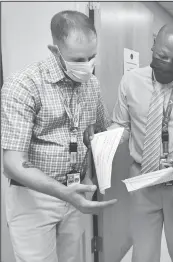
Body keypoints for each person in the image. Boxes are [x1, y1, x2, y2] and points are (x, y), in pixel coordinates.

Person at [84, 23, 173, 262]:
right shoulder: (130, 81)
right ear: (153, 46)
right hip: (142, 181)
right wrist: (102, 136)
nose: (167, 64)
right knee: (143, 254)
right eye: (161, 56)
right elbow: (122, 125)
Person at [1, 10, 117, 262]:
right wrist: (62, 193)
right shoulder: (24, 84)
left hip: (75, 192)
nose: (87, 66)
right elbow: (11, 163)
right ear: (54, 50)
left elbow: (99, 131)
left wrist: (93, 166)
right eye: (78, 59)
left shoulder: (91, 84)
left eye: (92, 57)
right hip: (34, 198)